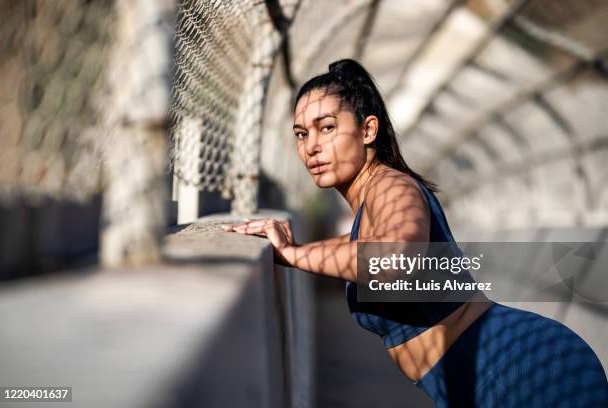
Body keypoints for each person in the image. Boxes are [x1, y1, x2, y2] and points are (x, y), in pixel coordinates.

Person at [222, 59, 608, 407]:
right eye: (301, 134)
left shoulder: (393, 188)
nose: (312, 147)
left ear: (367, 129)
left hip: (517, 368)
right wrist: (292, 248)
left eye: (327, 128)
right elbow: (355, 248)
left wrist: (292, 255)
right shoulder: (372, 200)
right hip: (476, 372)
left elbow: (396, 259)